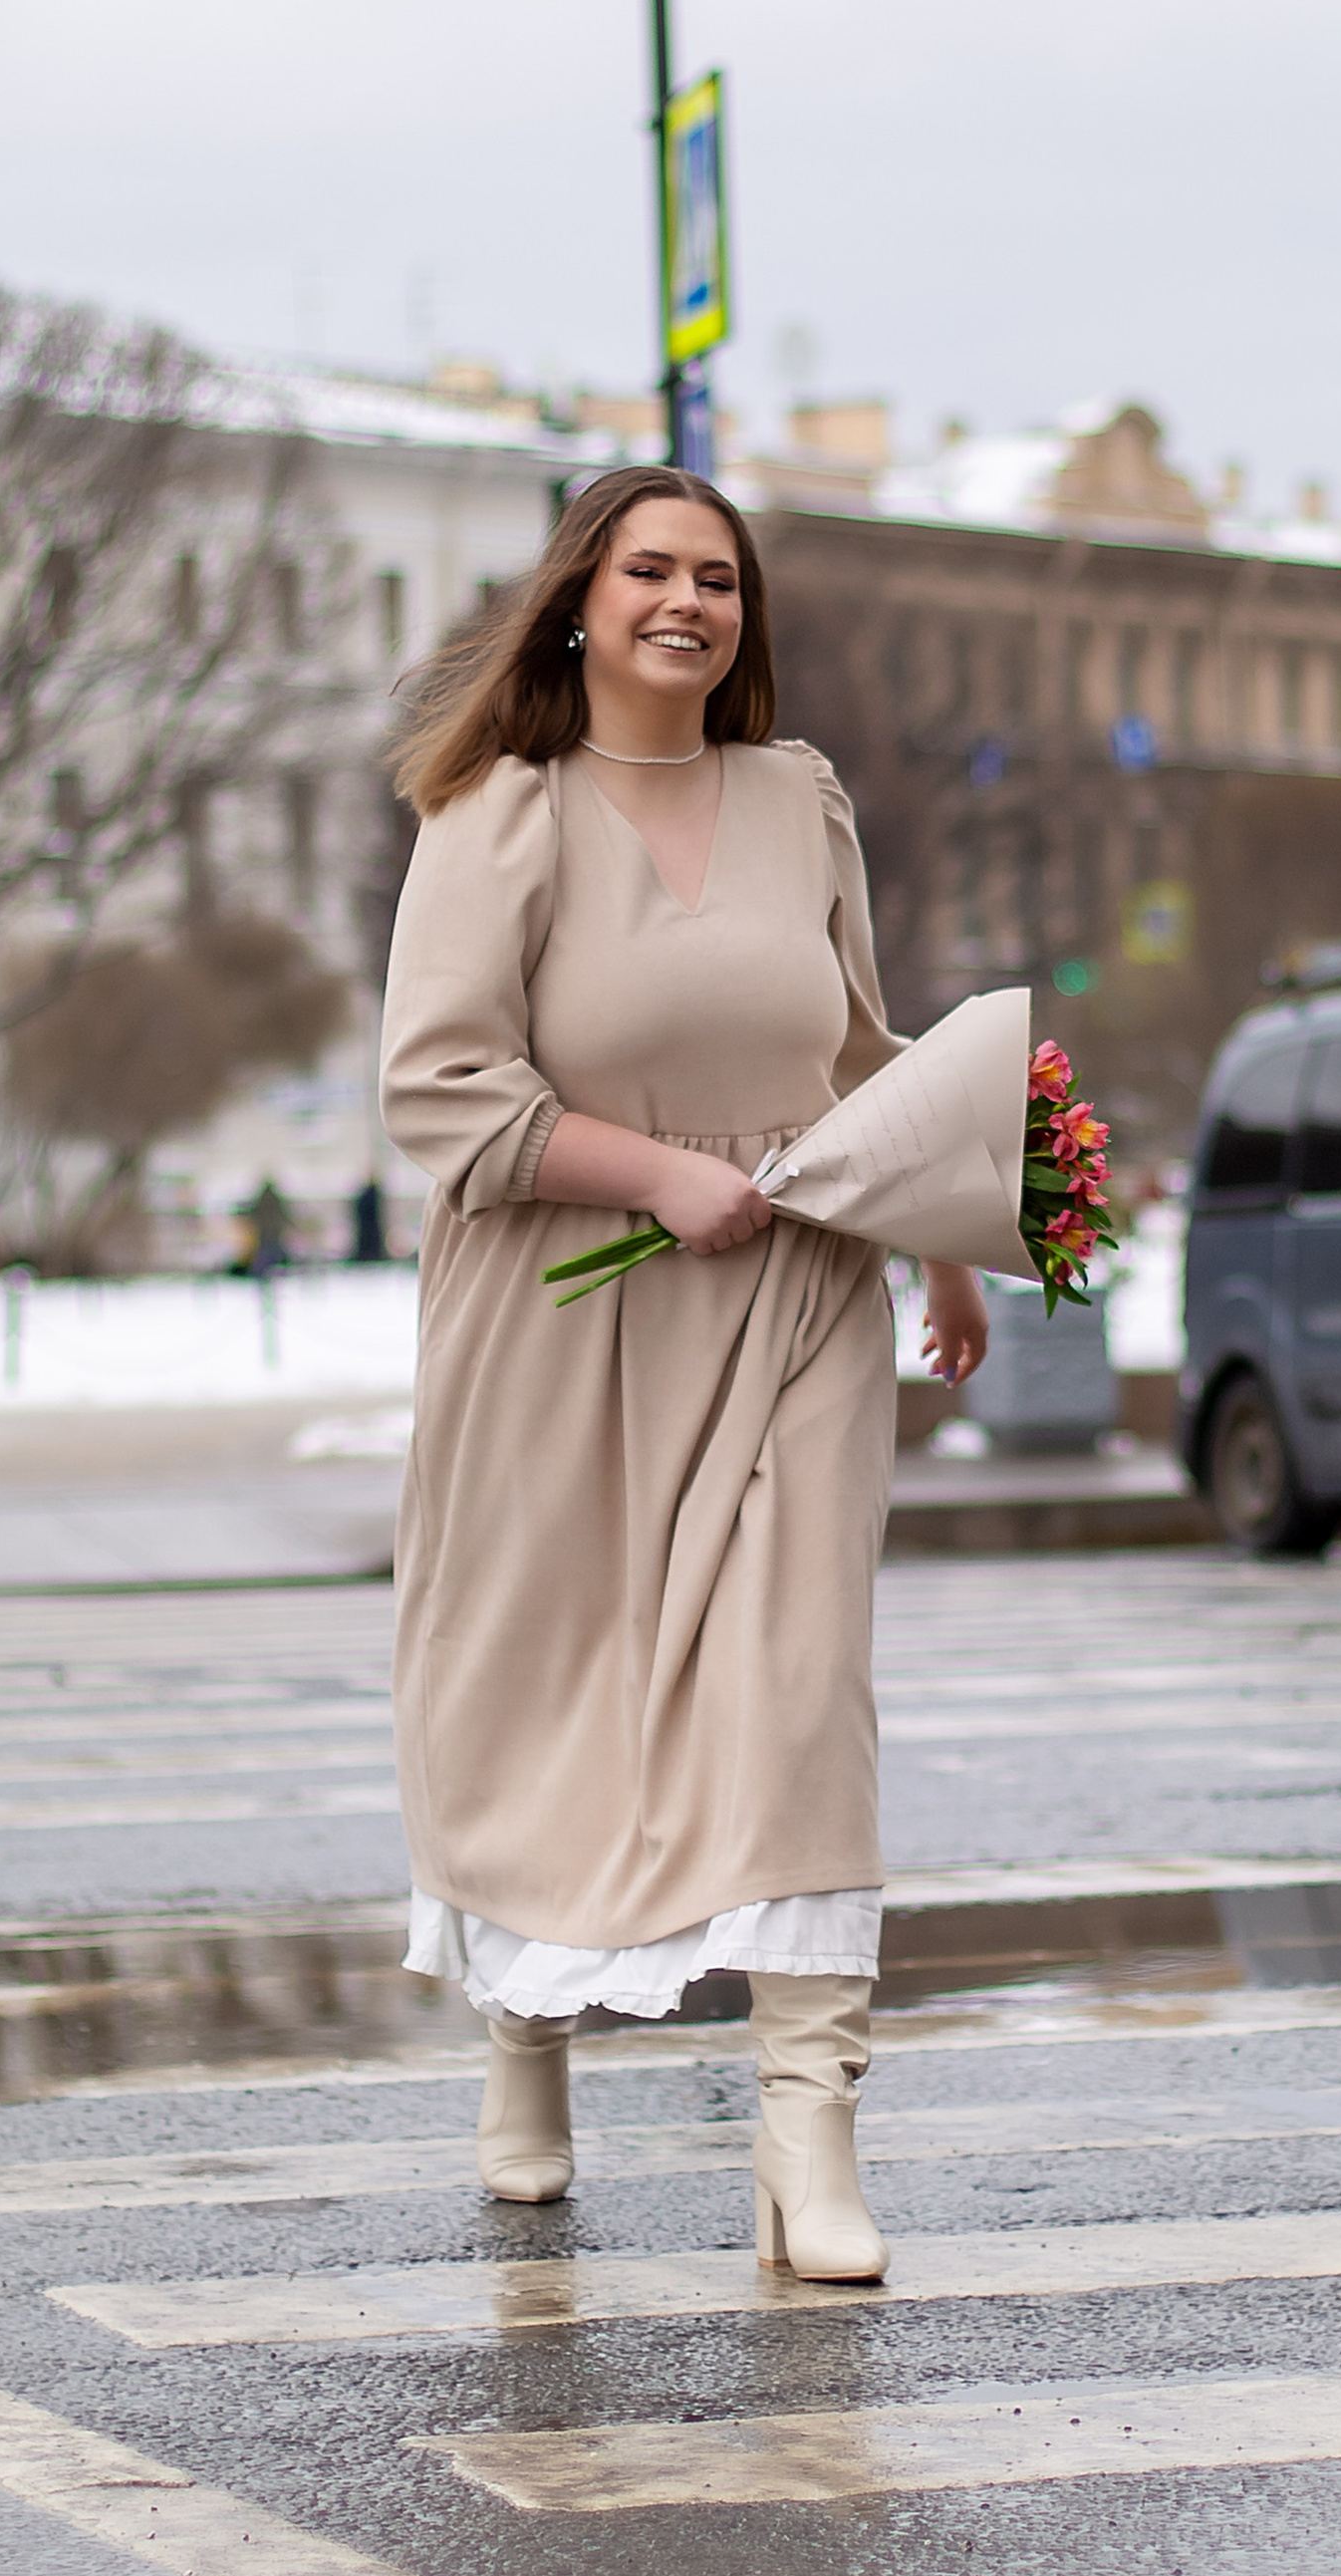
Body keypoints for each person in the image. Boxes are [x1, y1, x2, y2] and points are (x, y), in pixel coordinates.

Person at [377, 464, 986, 2277]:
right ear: (579, 600)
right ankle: (525, 2029)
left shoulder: (802, 800)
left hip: (797, 1293)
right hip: (561, 1313)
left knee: (799, 1688)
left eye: (718, 578)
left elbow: (858, 1045)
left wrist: (953, 1226)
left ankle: (811, 2128)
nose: (687, 603)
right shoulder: (500, 809)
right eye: (650, 570)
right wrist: (652, 1174)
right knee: (551, 1679)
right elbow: (439, 1086)